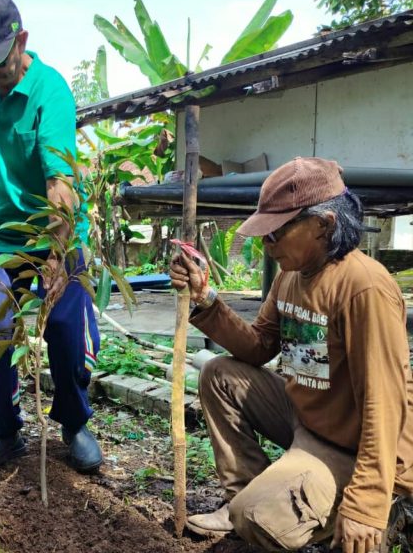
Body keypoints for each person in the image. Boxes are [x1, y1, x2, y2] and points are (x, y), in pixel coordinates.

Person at [169, 156, 413, 552]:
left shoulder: (363, 287)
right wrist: (205, 298)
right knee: (219, 374)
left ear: (323, 224)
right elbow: (257, 346)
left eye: (276, 234)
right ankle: (245, 495)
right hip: (310, 420)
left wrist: (367, 503)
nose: (267, 246)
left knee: (255, 518)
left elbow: (384, 404)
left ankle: (381, 512)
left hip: (350, 446)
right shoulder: (291, 277)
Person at [0, 0, 103, 473]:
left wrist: (57, 255)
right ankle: (5, 432)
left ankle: (75, 425)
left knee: (62, 329)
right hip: (1, 235)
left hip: (57, 237)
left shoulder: (50, 92)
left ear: (21, 41)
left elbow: (60, 182)